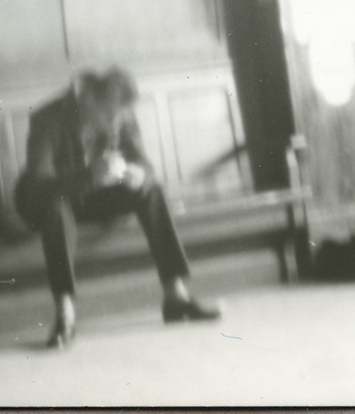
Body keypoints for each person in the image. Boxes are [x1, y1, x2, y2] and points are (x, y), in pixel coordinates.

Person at [14, 67, 221, 348]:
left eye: (118, 115)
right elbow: (40, 184)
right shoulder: (47, 118)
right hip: (45, 201)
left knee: (151, 191)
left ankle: (176, 297)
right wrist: (90, 175)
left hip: (92, 196)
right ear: (88, 99)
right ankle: (65, 313)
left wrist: (140, 175)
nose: (113, 122)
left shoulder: (121, 113)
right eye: (108, 114)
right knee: (56, 207)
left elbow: (144, 162)